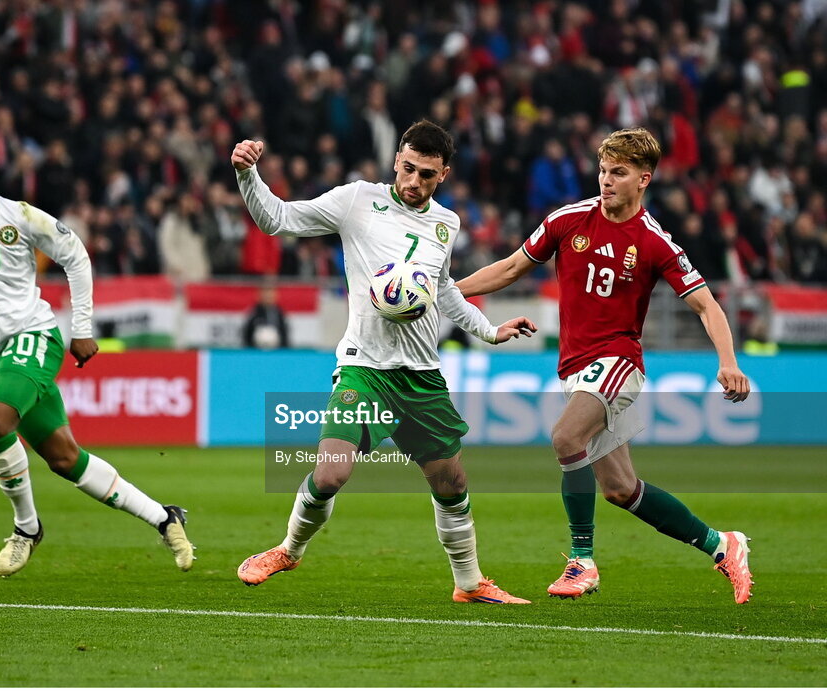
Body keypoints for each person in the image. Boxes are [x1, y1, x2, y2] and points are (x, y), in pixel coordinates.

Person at [231, 120, 538, 604]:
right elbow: (278, 219)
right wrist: (247, 174)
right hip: (365, 368)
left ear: (444, 175)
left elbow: (442, 290)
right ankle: (289, 549)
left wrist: (488, 330)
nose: (414, 181)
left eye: (427, 175)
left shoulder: (447, 223)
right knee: (330, 474)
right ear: (396, 160)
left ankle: (469, 583)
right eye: (408, 168)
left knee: (451, 483)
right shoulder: (357, 199)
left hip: (421, 376)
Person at [457, 128, 754, 603]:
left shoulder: (654, 241)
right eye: (602, 170)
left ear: (644, 179)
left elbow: (706, 305)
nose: (606, 180)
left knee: (565, 437)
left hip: (618, 361)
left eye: (618, 172)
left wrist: (728, 361)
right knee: (620, 489)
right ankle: (722, 544)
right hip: (574, 367)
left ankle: (582, 561)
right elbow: (511, 267)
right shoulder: (567, 220)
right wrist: (447, 293)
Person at [0, 143, 194, 577]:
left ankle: (26, 528)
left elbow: (75, 254)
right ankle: (164, 517)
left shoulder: (20, 216)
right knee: (64, 458)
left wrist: (81, 328)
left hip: (34, 335)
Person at [243, 283, 289, 349]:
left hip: (276, 351)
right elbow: (246, 335)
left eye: (270, 294)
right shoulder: (253, 313)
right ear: (259, 295)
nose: (267, 297)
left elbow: (284, 335)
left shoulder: (279, 313)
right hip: (256, 350)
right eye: (265, 294)